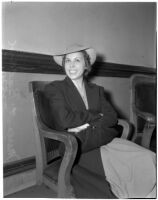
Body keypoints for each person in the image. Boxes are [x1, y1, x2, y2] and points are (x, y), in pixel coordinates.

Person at [44, 44, 156, 198]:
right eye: (67, 61)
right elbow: (64, 120)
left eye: (77, 60)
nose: (71, 65)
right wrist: (95, 115)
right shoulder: (55, 88)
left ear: (86, 65)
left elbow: (111, 117)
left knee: (147, 158)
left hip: (100, 140)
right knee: (122, 173)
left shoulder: (96, 90)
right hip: (76, 147)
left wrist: (86, 125)